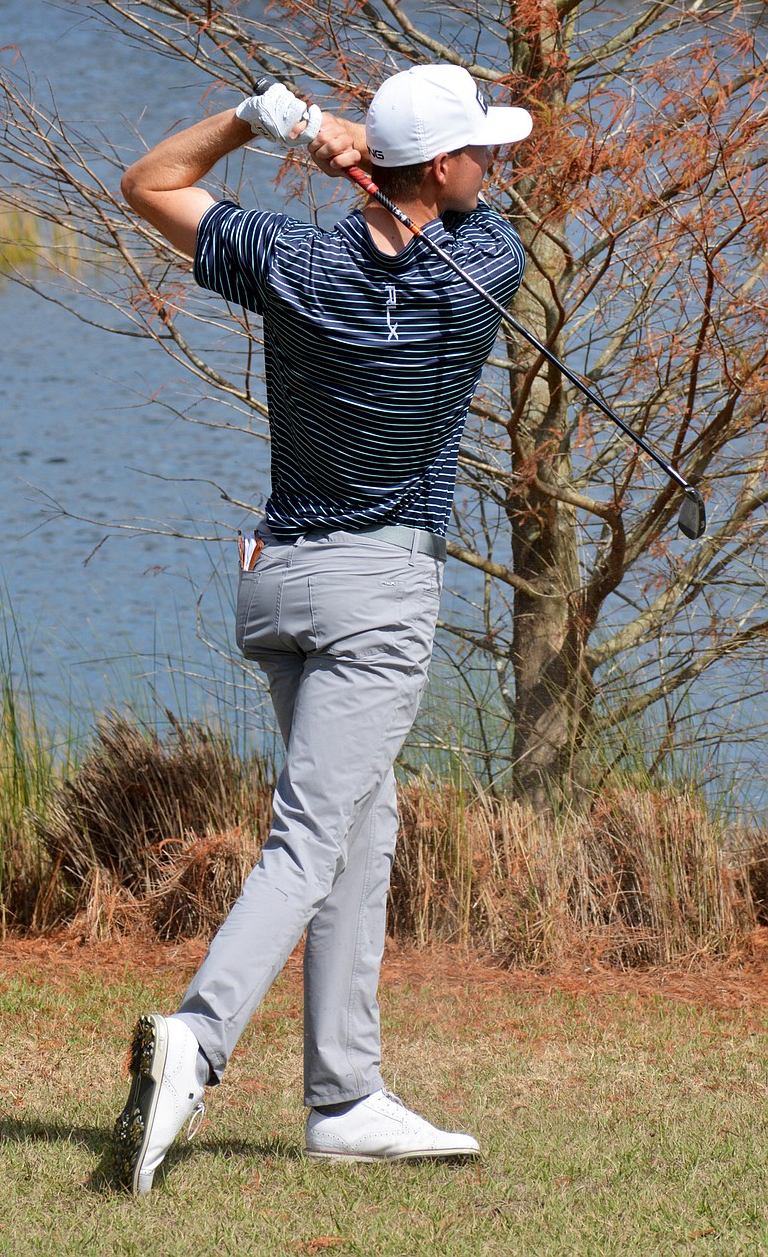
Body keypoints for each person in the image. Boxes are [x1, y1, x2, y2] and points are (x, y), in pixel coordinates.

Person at [114, 63, 531, 1194]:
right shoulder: (485, 264)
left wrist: (265, 121)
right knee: (310, 835)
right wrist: (363, 161)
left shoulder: (290, 262)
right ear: (442, 169)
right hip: (380, 590)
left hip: (279, 582)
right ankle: (196, 1042)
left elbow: (150, 180)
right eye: (481, 154)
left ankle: (345, 1098)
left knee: (360, 828)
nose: (495, 169)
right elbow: (445, 226)